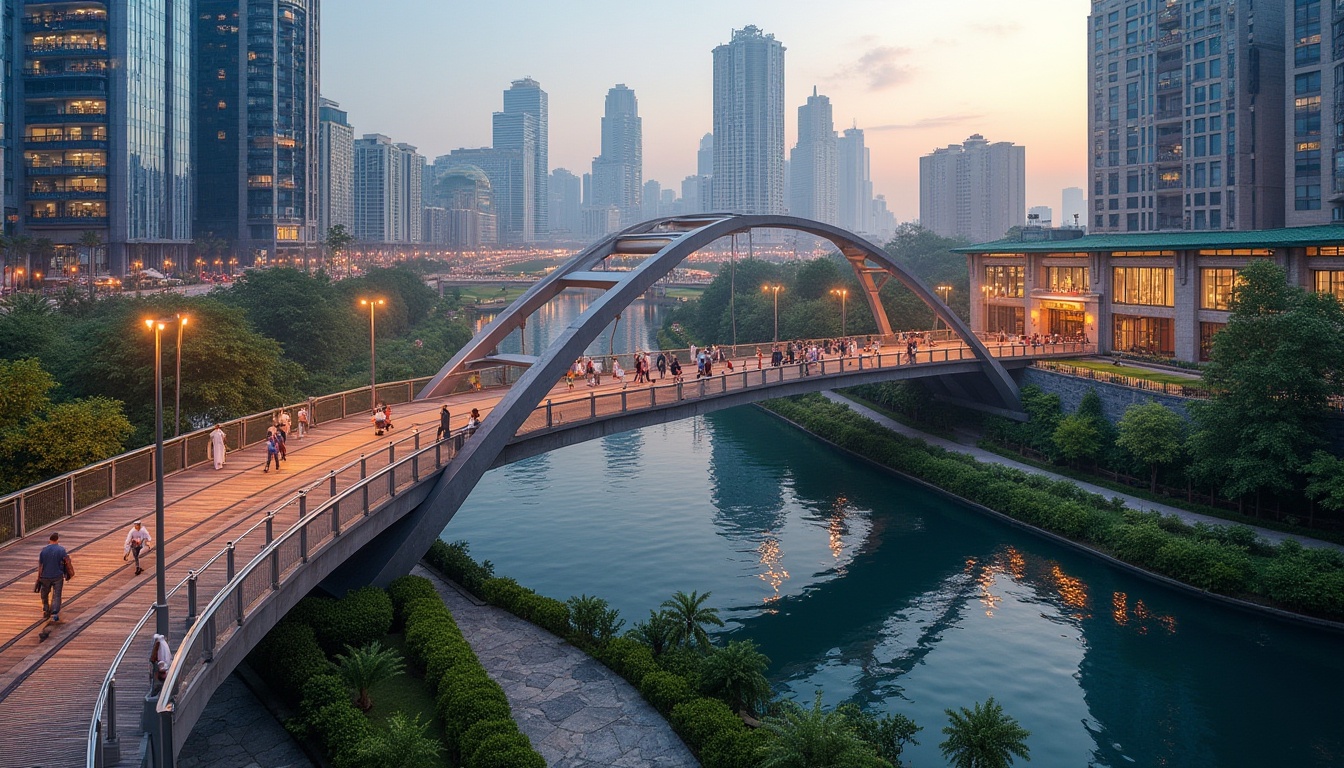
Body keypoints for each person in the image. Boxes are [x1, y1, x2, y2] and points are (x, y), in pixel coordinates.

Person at [36, 532, 72, 622]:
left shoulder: (43, 551)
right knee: (57, 594)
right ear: (57, 540)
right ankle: (54, 612)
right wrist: (69, 573)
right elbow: (67, 561)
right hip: (57, 575)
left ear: (50, 540)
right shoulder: (61, 550)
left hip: (45, 576)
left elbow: (41, 565)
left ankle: (45, 607)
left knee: (44, 592)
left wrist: (39, 577)